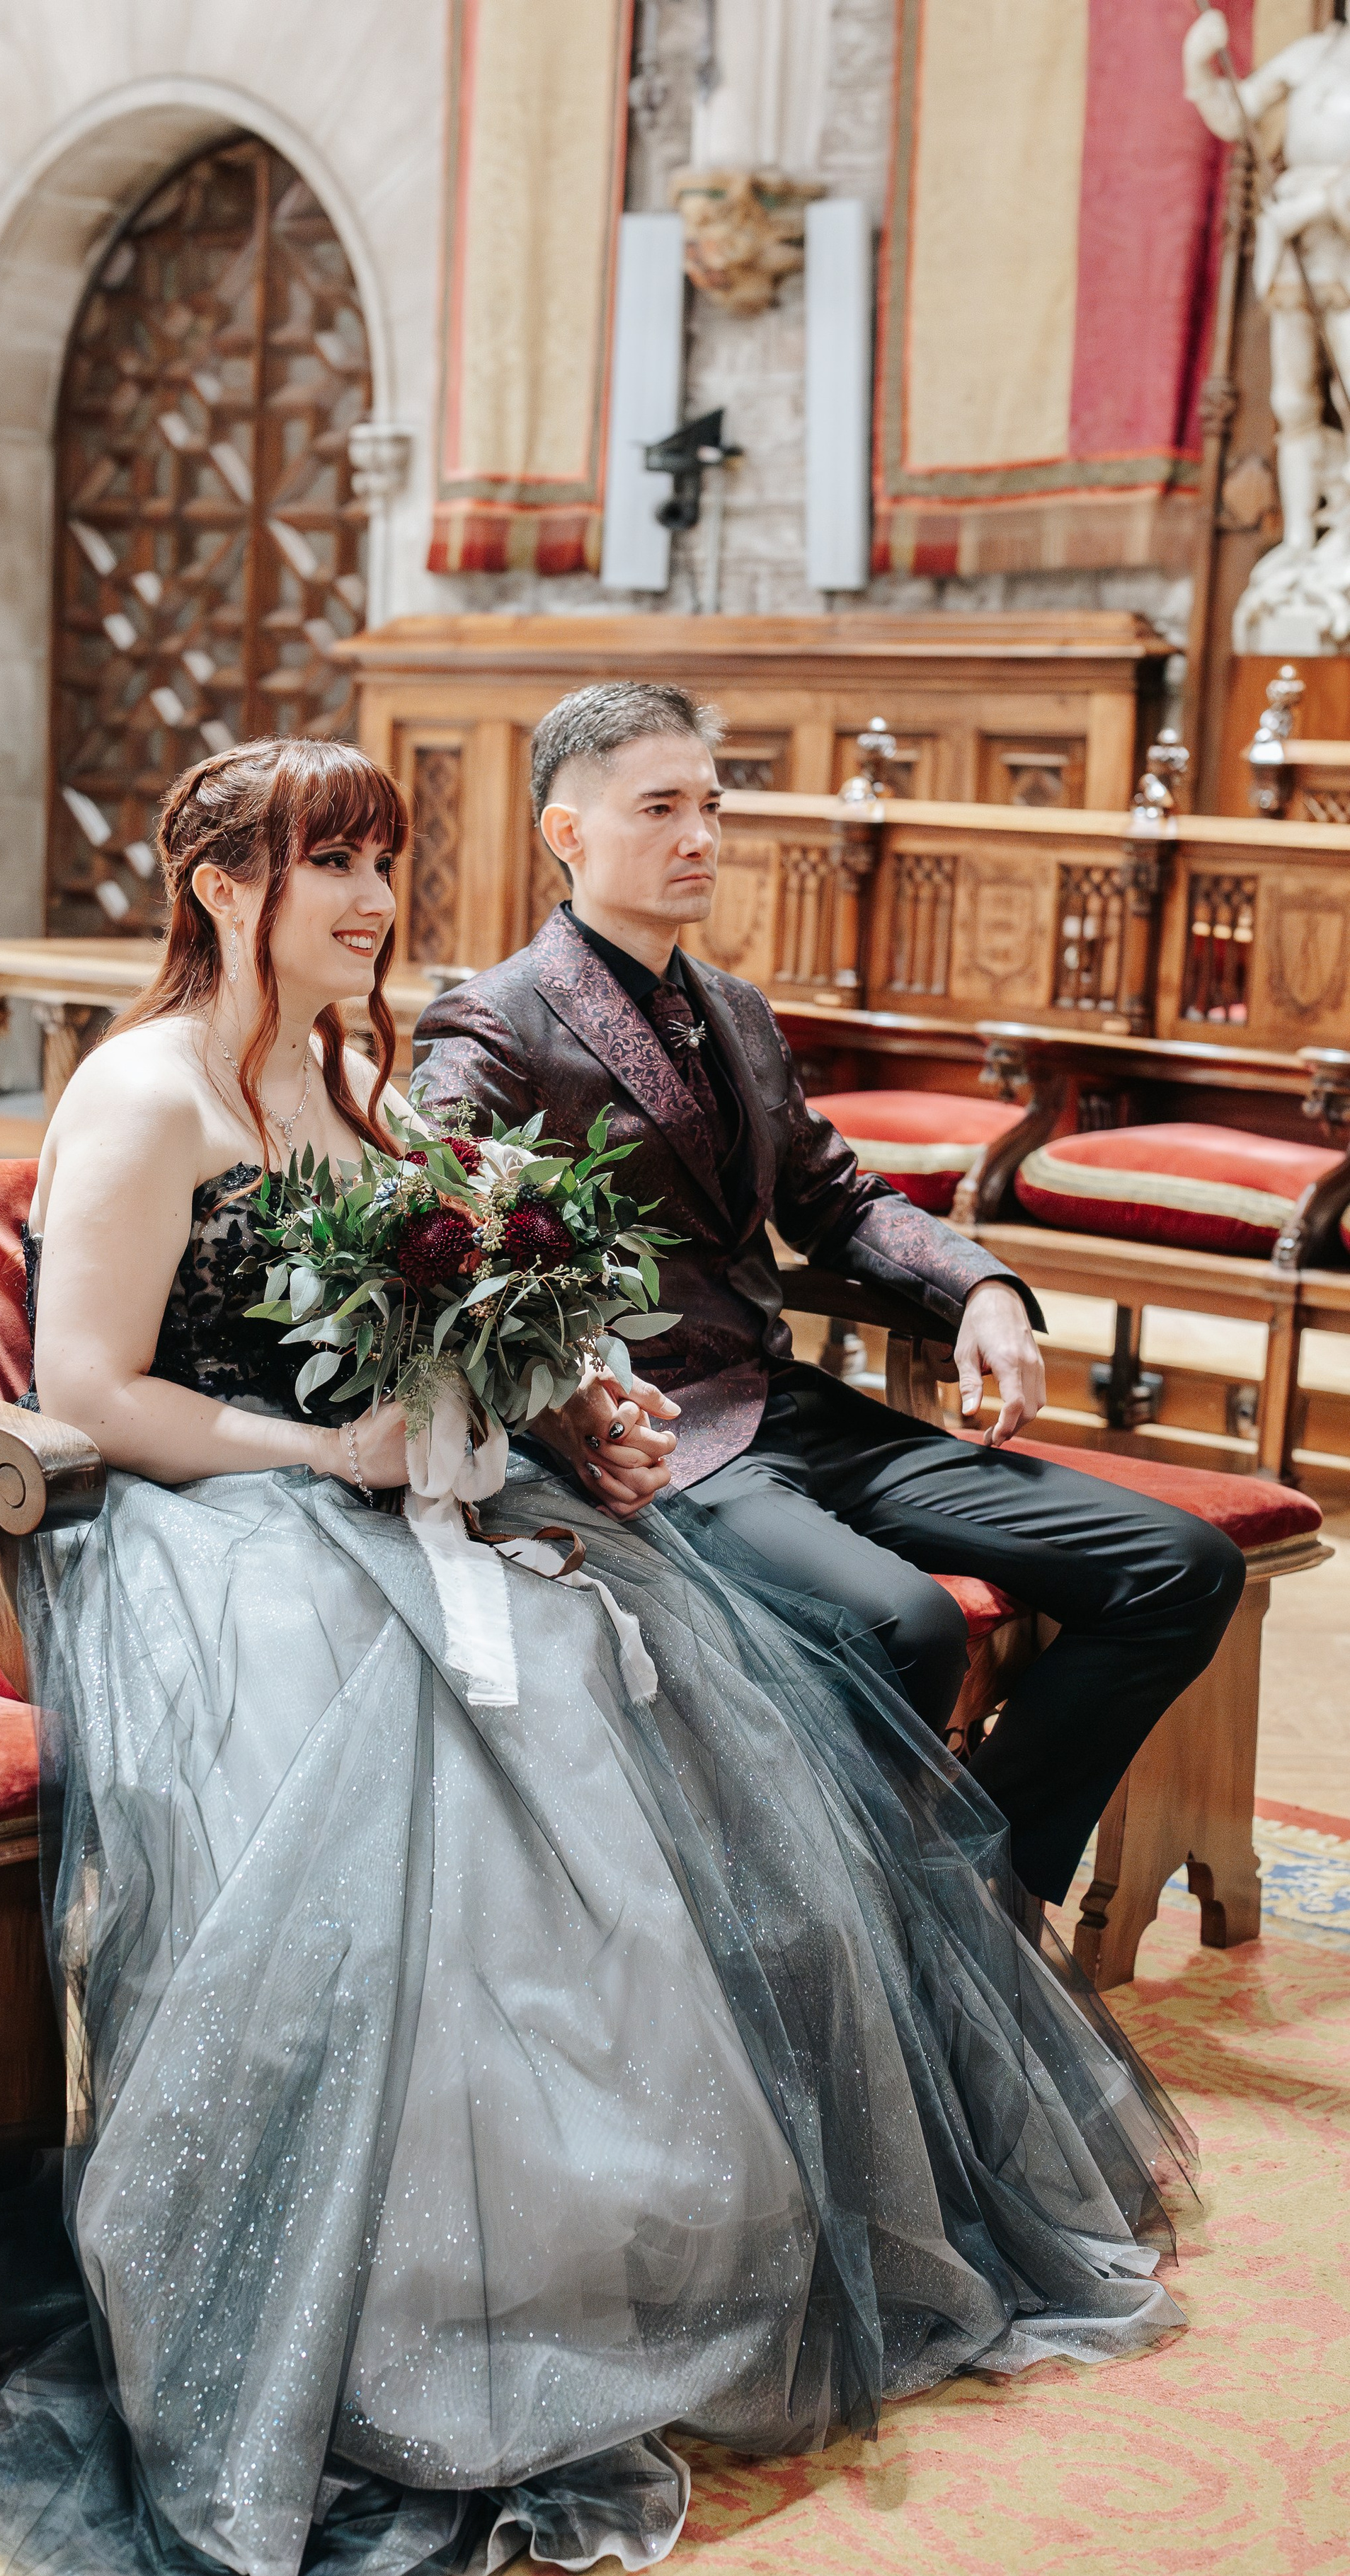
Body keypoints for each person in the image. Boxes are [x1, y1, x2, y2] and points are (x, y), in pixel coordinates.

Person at [0, 734, 1191, 2576]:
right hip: (207, 1528)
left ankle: (631, 2235)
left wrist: (567, 1394)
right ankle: (409, 2294)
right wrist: (341, 1460)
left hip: (397, 1479)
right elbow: (94, 1393)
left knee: (647, 1682)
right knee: (428, 1758)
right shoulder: (142, 1094)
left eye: (386, 863)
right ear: (220, 887)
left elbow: (462, 1305)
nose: (379, 904)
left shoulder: (358, 1073)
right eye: (334, 868)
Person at [411, 682, 1245, 1919]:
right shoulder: (500, 1018)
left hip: (791, 1406)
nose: (701, 836)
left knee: (1178, 1565)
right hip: (653, 1437)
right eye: (661, 808)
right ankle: (850, 1930)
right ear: (566, 831)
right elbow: (440, 1232)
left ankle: (973, 1890)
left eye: (710, 804)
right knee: (905, 1625)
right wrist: (565, 1384)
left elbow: (839, 1201)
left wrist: (983, 1284)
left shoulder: (736, 1012)